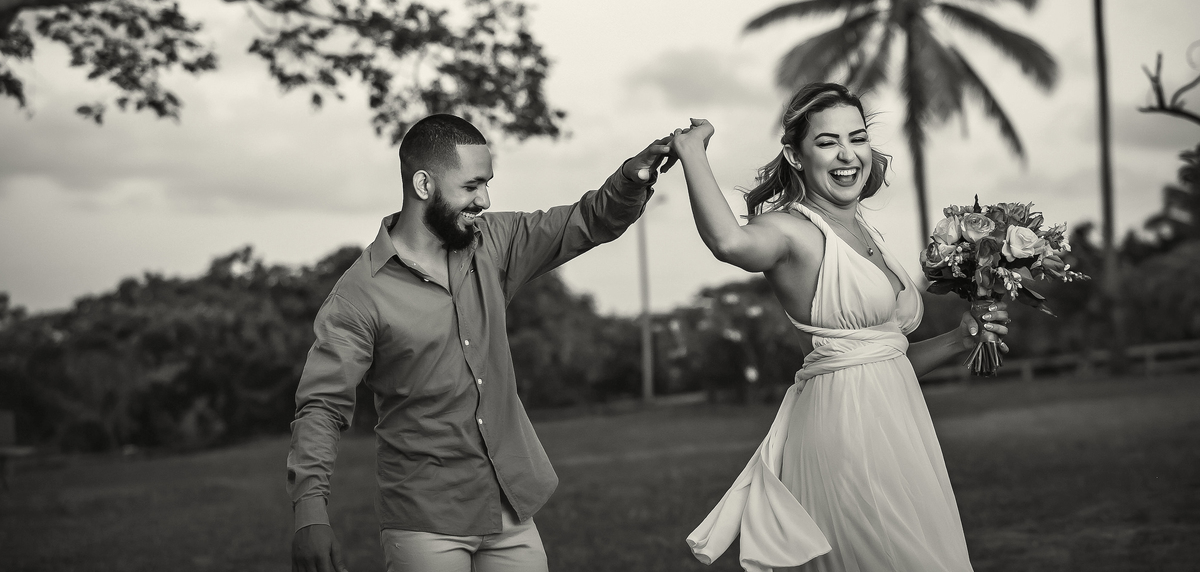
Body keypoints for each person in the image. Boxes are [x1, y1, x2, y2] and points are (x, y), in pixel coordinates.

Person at [287, 113, 673, 572]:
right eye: (471, 187)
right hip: (425, 523)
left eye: (487, 184)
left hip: (511, 506)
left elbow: (588, 220)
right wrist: (310, 512)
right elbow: (322, 407)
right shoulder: (358, 295)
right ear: (424, 185)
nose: (485, 200)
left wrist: (633, 176)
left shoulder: (495, 243)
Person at [673, 83, 1008, 572]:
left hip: (901, 431)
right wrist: (691, 152)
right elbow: (728, 242)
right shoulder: (792, 231)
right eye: (828, 142)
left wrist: (961, 338)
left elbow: (884, 360)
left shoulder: (865, 231)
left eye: (858, 137)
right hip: (846, 437)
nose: (848, 154)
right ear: (794, 154)